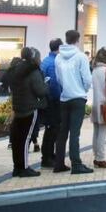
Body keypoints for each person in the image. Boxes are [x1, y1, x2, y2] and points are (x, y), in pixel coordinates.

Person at [54, 30, 93, 174]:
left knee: (62, 132)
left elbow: (58, 78)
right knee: (74, 133)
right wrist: (83, 89)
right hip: (78, 98)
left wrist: (66, 87)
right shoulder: (81, 56)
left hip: (64, 97)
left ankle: (59, 164)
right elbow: (87, 79)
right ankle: (76, 164)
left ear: (66, 39)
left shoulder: (58, 57)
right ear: (78, 40)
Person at [10, 47, 48, 177]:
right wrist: (46, 85)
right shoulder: (33, 71)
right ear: (34, 58)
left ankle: (17, 167)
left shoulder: (16, 68)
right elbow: (40, 91)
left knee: (17, 140)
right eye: (39, 58)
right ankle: (24, 168)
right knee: (26, 139)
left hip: (18, 107)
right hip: (29, 108)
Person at [39, 39, 62, 168]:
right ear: (59, 48)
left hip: (47, 100)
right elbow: (54, 85)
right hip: (53, 102)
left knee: (50, 130)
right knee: (53, 130)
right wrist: (60, 99)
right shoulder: (53, 63)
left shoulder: (46, 60)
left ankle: (48, 155)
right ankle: (47, 157)